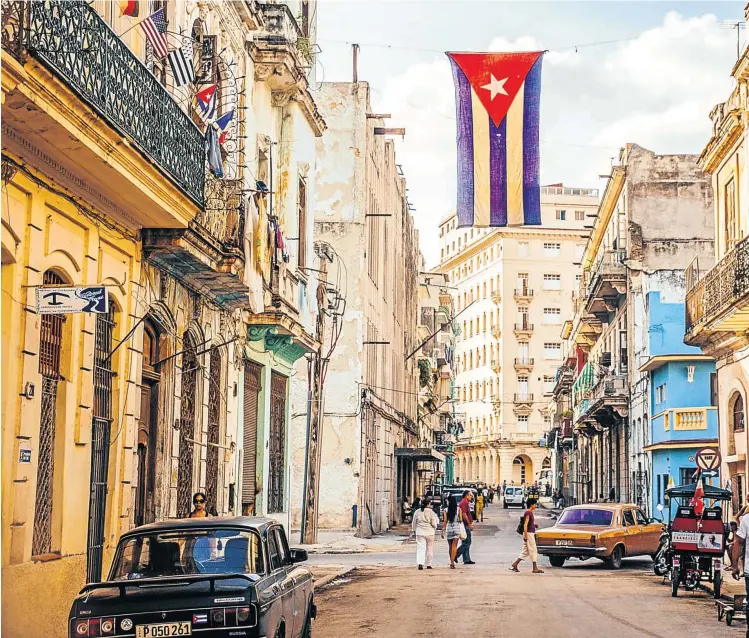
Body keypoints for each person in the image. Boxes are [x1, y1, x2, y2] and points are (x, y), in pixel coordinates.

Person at [510, 497, 544, 574]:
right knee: (533, 550)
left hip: (529, 533)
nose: (536, 505)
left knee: (525, 551)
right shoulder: (528, 512)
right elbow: (525, 525)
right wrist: (525, 536)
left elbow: (528, 524)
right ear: (531, 505)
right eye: (535, 504)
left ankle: (515, 564)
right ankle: (535, 568)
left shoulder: (529, 512)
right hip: (529, 534)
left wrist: (534, 525)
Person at [412, 495, 439, 570]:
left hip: (420, 532)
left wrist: (414, 530)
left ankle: (420, 563)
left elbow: (414, 522)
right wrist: (434, 527)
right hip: (430, 533)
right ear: (428, 504)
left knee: (421, 548)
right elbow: (434, 524)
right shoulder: (431, 512)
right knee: (429, 548)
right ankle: (429, 564)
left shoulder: (417, 512)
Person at [441, 495, 464, 569]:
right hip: (456, 528)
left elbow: (445, 521)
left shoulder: (445, 510)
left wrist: (442, 530)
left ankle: (451, 561)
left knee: (450, 546)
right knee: (454, 546)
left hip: (449, 529)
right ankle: (452, 563)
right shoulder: (459, 509)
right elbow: (460, 520)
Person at [455, 490, 475, 564]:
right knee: (467, 542)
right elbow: (464, 514)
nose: (471, 497)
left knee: (465, 542)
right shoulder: (464, 503)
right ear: (466, 495)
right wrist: (469, 523)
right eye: (470, 495)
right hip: (464, 525)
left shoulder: (465, 502)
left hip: (465, 524)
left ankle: (466, 559)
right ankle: (455, 554)